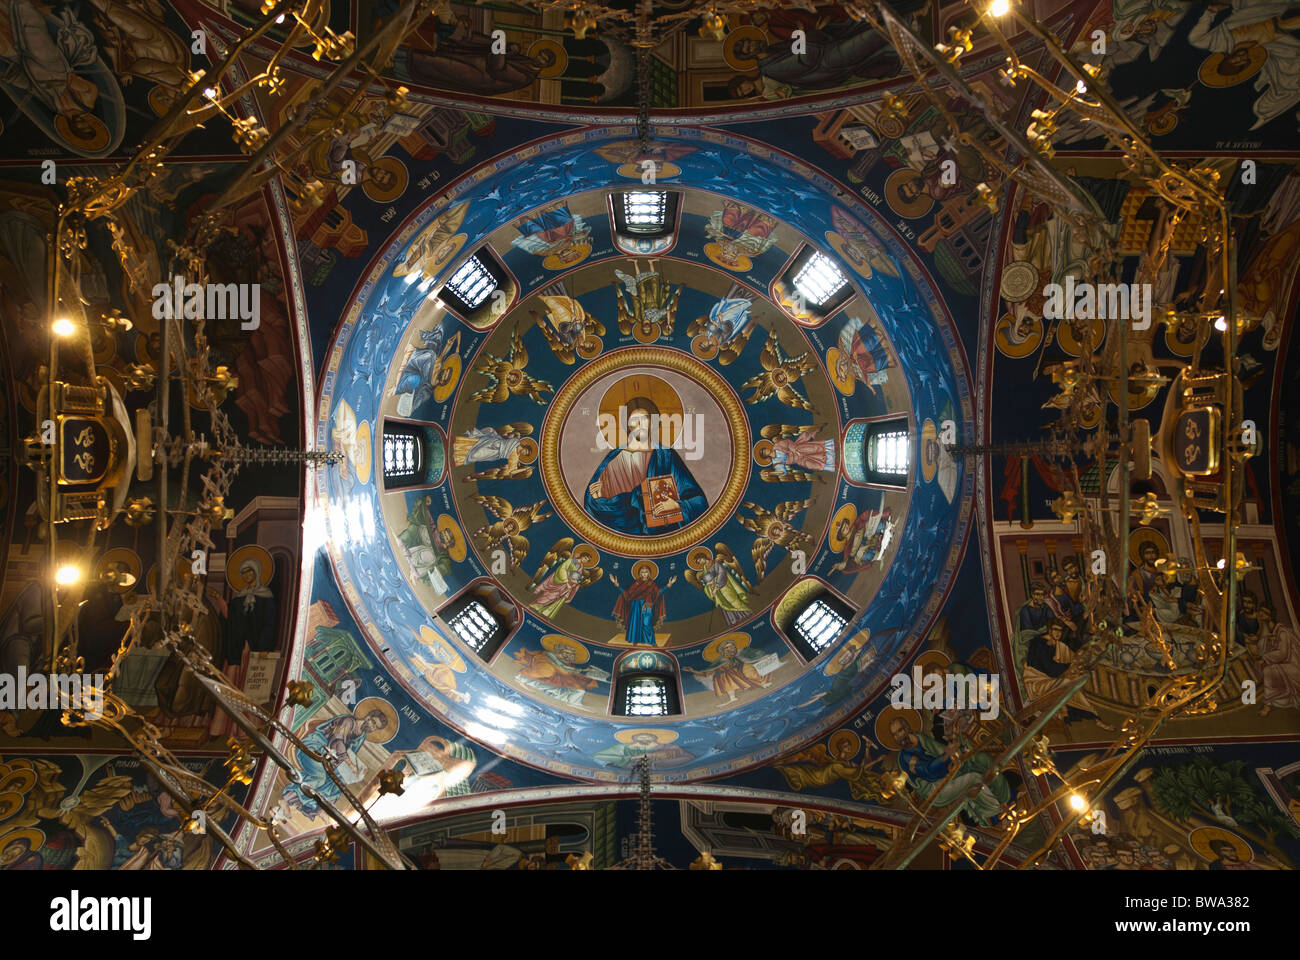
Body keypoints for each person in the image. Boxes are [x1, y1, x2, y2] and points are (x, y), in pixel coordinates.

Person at [584, 397, 706, 535]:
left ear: (653, 423)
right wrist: (597, 500)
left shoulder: (666, 456)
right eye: (634, 420)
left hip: (660, 538)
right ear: (628, 424)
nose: (640, 425)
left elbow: (698, 500)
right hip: (620, 538)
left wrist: (678, 506)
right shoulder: (613, 459)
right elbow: (593, 506)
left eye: (645, 418)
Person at [610, 565, 675, 646]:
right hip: (636, 605)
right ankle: (635, 641)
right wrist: (617, 585)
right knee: (636, 623)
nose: (644, 574)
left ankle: (652, 642)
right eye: (642, 572)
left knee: (646, 623)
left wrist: (667, 586)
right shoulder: (636, 583)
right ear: (640, 574)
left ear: (649, 573)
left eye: (646, 572)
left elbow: (658, 593)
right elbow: (627, 595)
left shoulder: (652, 584)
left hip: (647, 605)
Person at [1256, 603, 1300, 716]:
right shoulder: (1272, 631)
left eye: (1263, 612)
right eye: (1260, 611)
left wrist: (1264, 658)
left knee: (1268, 671)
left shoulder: (1283, 632)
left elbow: (1282, 654)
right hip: (1286, 665)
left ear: (1270, 616)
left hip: (1294, 668)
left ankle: (1267, 705)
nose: (1260, 614)